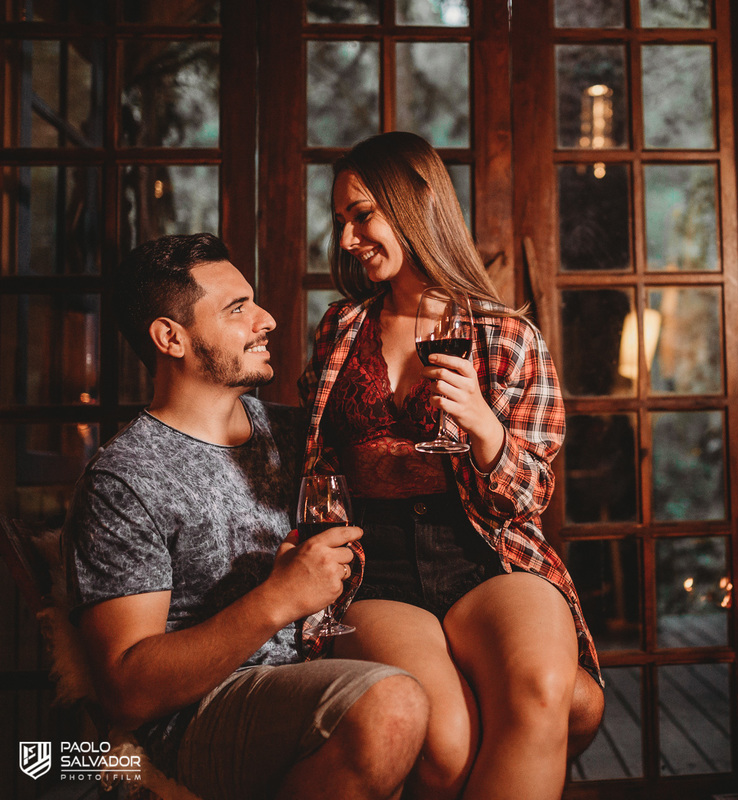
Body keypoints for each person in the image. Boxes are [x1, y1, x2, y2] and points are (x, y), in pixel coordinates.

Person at [62, 233, 429, 800]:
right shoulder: (125, 479)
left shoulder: (297, 434)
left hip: (319, 670)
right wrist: (278, 598)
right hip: (200, 714)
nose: (267, 320)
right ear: (170, 337)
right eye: (237, 309)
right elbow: (127, 691)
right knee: (391, 705)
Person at [301, 131, 603, 800]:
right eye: (341, 220)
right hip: (374, 561)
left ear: (415, 206)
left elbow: (529, 497)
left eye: (361, 215)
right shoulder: (340, 329)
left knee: (543, 689)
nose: (347, 239)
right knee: (445, 744)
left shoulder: (508, 335)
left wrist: (485, 428)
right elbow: (316, 462)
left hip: (486, 550)